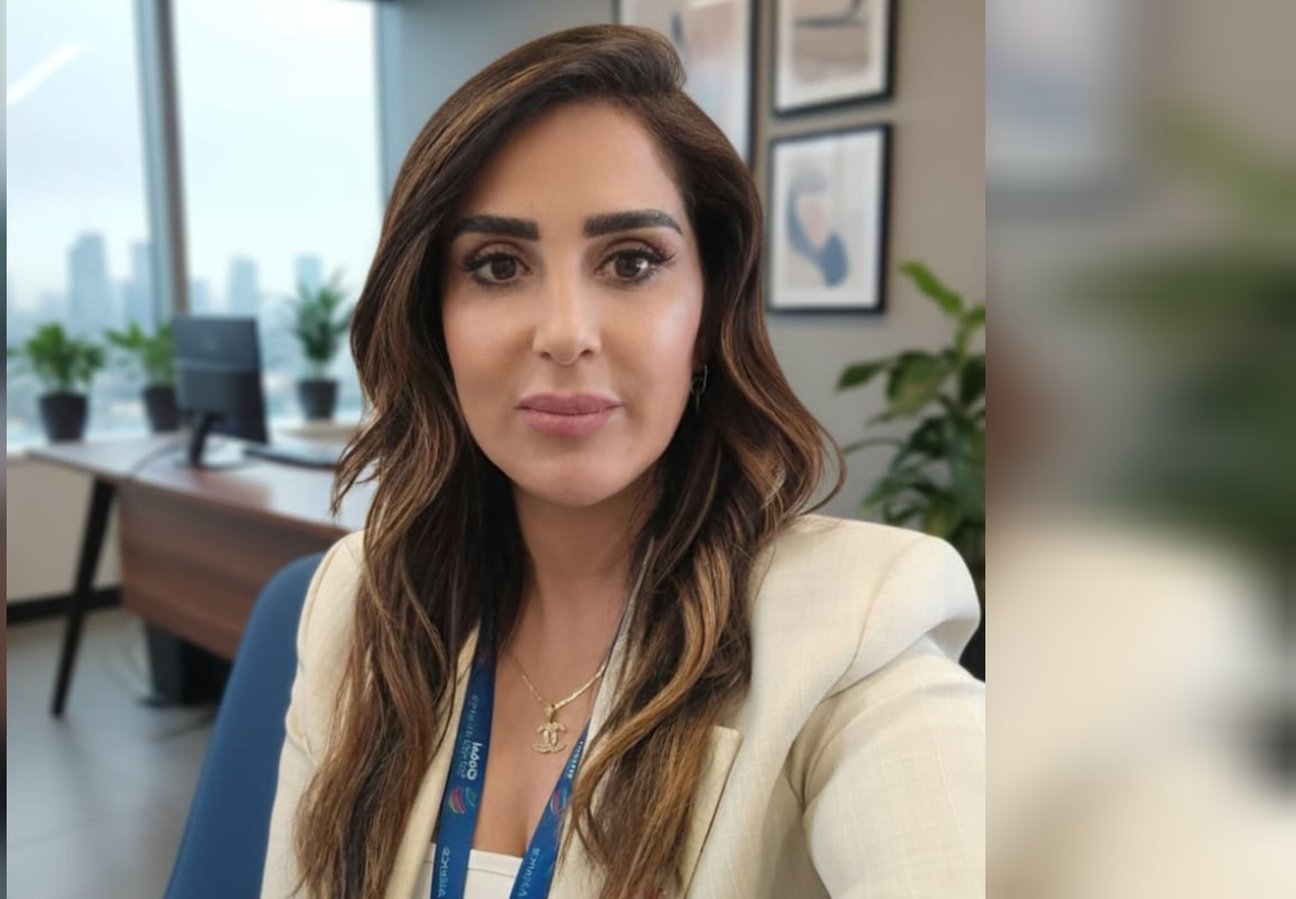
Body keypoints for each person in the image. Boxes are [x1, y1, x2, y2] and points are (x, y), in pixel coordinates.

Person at [260, 24, 982, 899]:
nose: (566, 333)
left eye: (632, 261)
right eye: (497, 265)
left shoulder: (852, 627)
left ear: (708, 314)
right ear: (431, 321)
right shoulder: (360, 600)